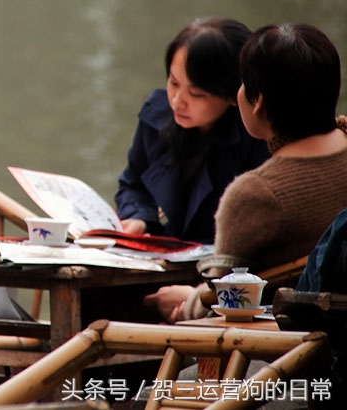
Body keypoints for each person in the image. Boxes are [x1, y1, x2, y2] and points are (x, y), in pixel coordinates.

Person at [145, 23, 347, 322]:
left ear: (259, 102)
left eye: (242, 85)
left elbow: (223, 299)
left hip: (285, 351)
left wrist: (187, 304)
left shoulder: (255, 193)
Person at [114, 17, 270, 244]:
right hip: (168, 252)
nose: (177, 101)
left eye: (196, 94)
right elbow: (133, 184)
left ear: (235, 94)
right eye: (173, 83)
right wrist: (140, 217)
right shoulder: (156, 115)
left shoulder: (257, 136)